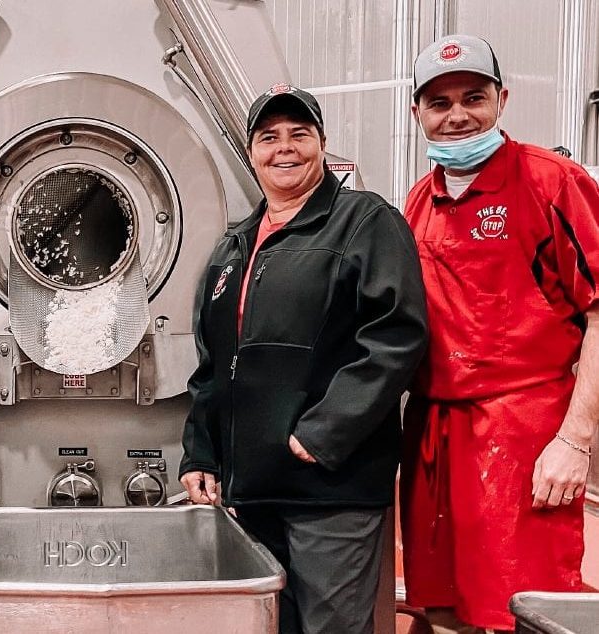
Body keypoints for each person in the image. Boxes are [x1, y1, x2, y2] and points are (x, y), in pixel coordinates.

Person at [178, 84, 428, 634]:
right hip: (254, 491)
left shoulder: (364, 222)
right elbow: (213, 366)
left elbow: (396, 335)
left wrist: (324, 432)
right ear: (251, 151)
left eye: (299, 134)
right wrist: (200, 453)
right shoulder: (234, 246)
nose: (284, 149)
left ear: (322, 143)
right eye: (269, 137)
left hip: (329, 490)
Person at [400, 35, 599, 634]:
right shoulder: (418, 202)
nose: (457, 115)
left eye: (473, 97)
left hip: (525, 435)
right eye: (439, 103)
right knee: (440, 605)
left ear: (501, 100)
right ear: (418, 115)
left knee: (524, 610)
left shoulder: (552, 182)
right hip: (435, 436)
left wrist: (574, 440)